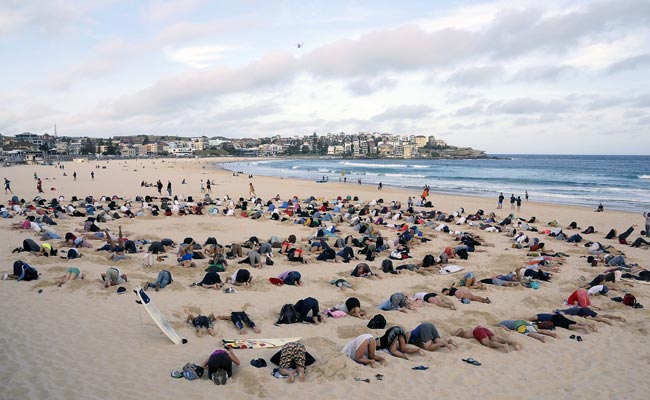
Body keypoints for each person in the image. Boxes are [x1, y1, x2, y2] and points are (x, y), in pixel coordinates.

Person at [454, 326, 521, 352]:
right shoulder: (465, 333)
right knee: (496, 339)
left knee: (487, 343)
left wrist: (454, 335)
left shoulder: (464, 332)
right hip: (482, 329)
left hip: (477, 331)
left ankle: (503, 345)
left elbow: (459, 329)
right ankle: (513, 342)